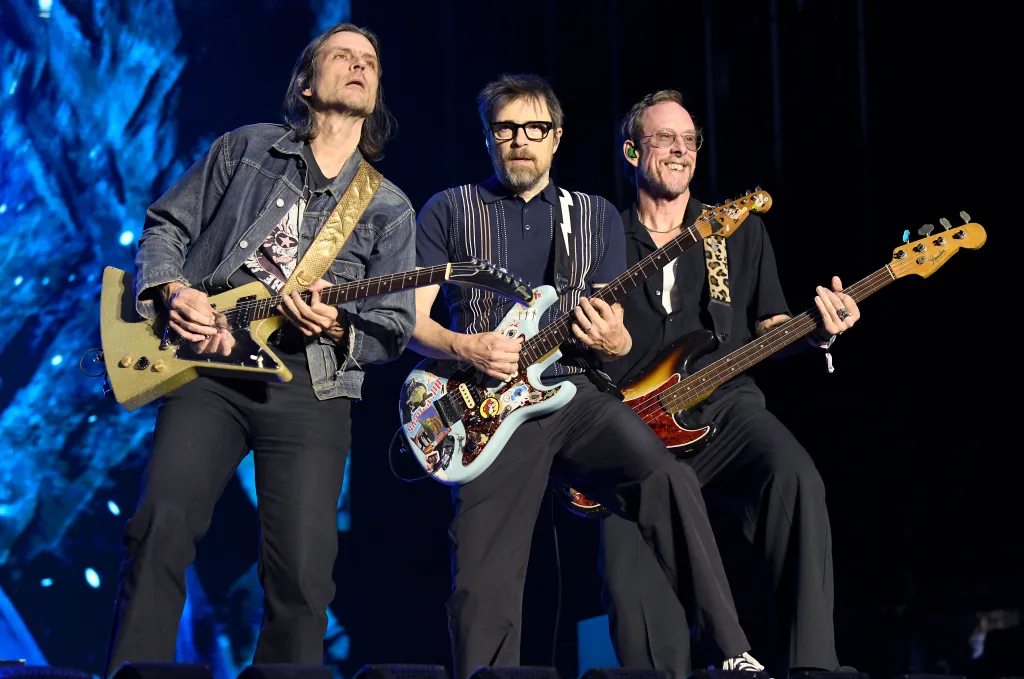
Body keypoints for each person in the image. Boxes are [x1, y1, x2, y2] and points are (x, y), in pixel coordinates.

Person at [409, 74, 766, 679]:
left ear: (556, 138)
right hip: (486, 406)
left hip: (575, 394)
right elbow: (410, 323)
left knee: (666, 477)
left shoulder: (592, 216)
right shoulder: (448, 209)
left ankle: (731, 650)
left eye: (536, 129)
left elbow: (617, 333)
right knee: (483, 570)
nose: (521, 140)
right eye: (506, 128)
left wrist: (612, 336)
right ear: (488, 137)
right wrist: (465, 345)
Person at [104, 23, 416, 674]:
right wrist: (170, 291)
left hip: (310, 387)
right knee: (159, 526)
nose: (360, 66)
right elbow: (166, 225)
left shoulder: (387, 207)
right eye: (342, 56)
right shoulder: (244, 149)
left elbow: (391, 327)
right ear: (306, 82)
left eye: (371, 61)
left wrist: (334, 326)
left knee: (303, 577)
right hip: (208, 371)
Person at [598, 89, 861, 678]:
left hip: (723, 410)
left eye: (689, 140)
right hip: (632, 429)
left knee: (794, 477)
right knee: (626, 558)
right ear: (631, 150)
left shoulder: (734, 232)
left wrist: (817, 332)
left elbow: (770, 325)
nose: (680, 151)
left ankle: (812, 665)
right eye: (664, 138)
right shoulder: (601, 239)